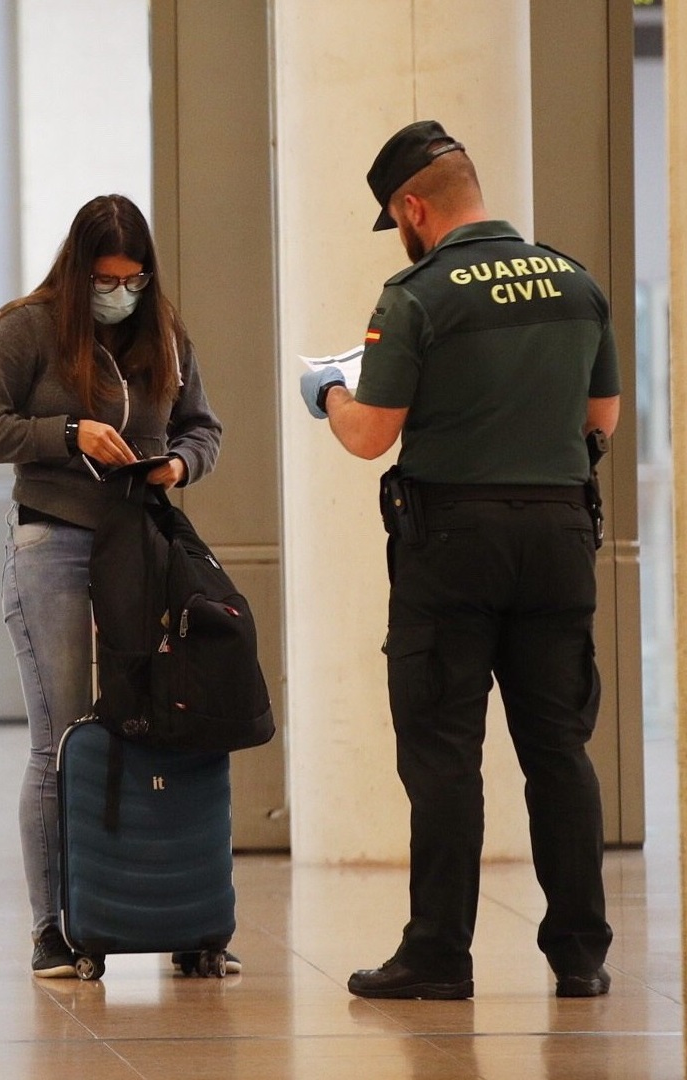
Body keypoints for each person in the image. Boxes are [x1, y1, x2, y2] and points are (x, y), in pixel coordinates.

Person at [299, 121, 618, 1001]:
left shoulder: (417, 296)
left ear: (413, 208)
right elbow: (601, 421)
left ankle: (439, 955)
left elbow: (371, 436)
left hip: (452, 546)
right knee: (559, 749)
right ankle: (581, 956)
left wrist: (329, 391)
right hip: (559, 538)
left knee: (444, 754)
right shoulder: (576, 282)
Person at [0, 194, 224, 980]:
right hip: (56, 543)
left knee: (174, 721)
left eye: (134, 279)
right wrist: (68, 434)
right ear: (79, 273)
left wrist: (179, 464)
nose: (121, 294)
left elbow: (203, 426)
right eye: (107, 280)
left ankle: (181, 914)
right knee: (63, 734)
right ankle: (54, 927)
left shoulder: (163, 330)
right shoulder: (27, 328)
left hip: (145, 545)